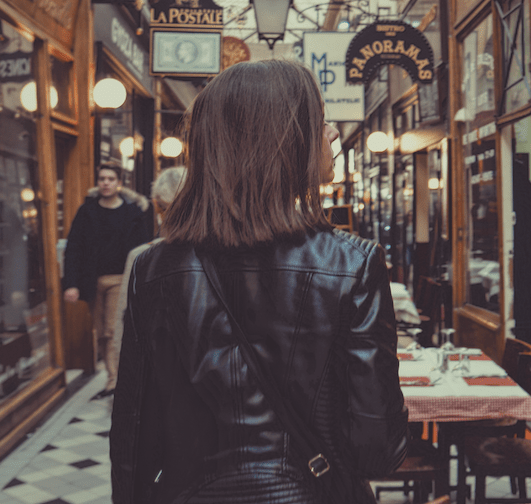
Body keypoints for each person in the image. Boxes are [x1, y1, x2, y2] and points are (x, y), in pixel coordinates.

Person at [111, 59, 408, 504]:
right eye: (320, 121)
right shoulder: (353, 265)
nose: (331, 134)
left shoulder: (153, 270)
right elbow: (378, 450)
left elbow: (134, 437)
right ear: (286, 142)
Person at [62, 163, 150, 399]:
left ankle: (115, 382)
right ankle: (114, 377)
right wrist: (70, 283)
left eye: (111, 178)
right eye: (102, 178)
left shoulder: (132, 213)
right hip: (92, 281)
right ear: (97, 182)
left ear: (119, 183)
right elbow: (73, 248)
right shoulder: (87, 211)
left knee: (113, 329)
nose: (106, 183)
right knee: (101, 332)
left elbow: (144, 249)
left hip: (120, 279)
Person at [107, 166, 188, 386]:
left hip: (157, 380)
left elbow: (124, 328)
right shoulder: (221, 254)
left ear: (157, 206)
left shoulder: (141, 258)